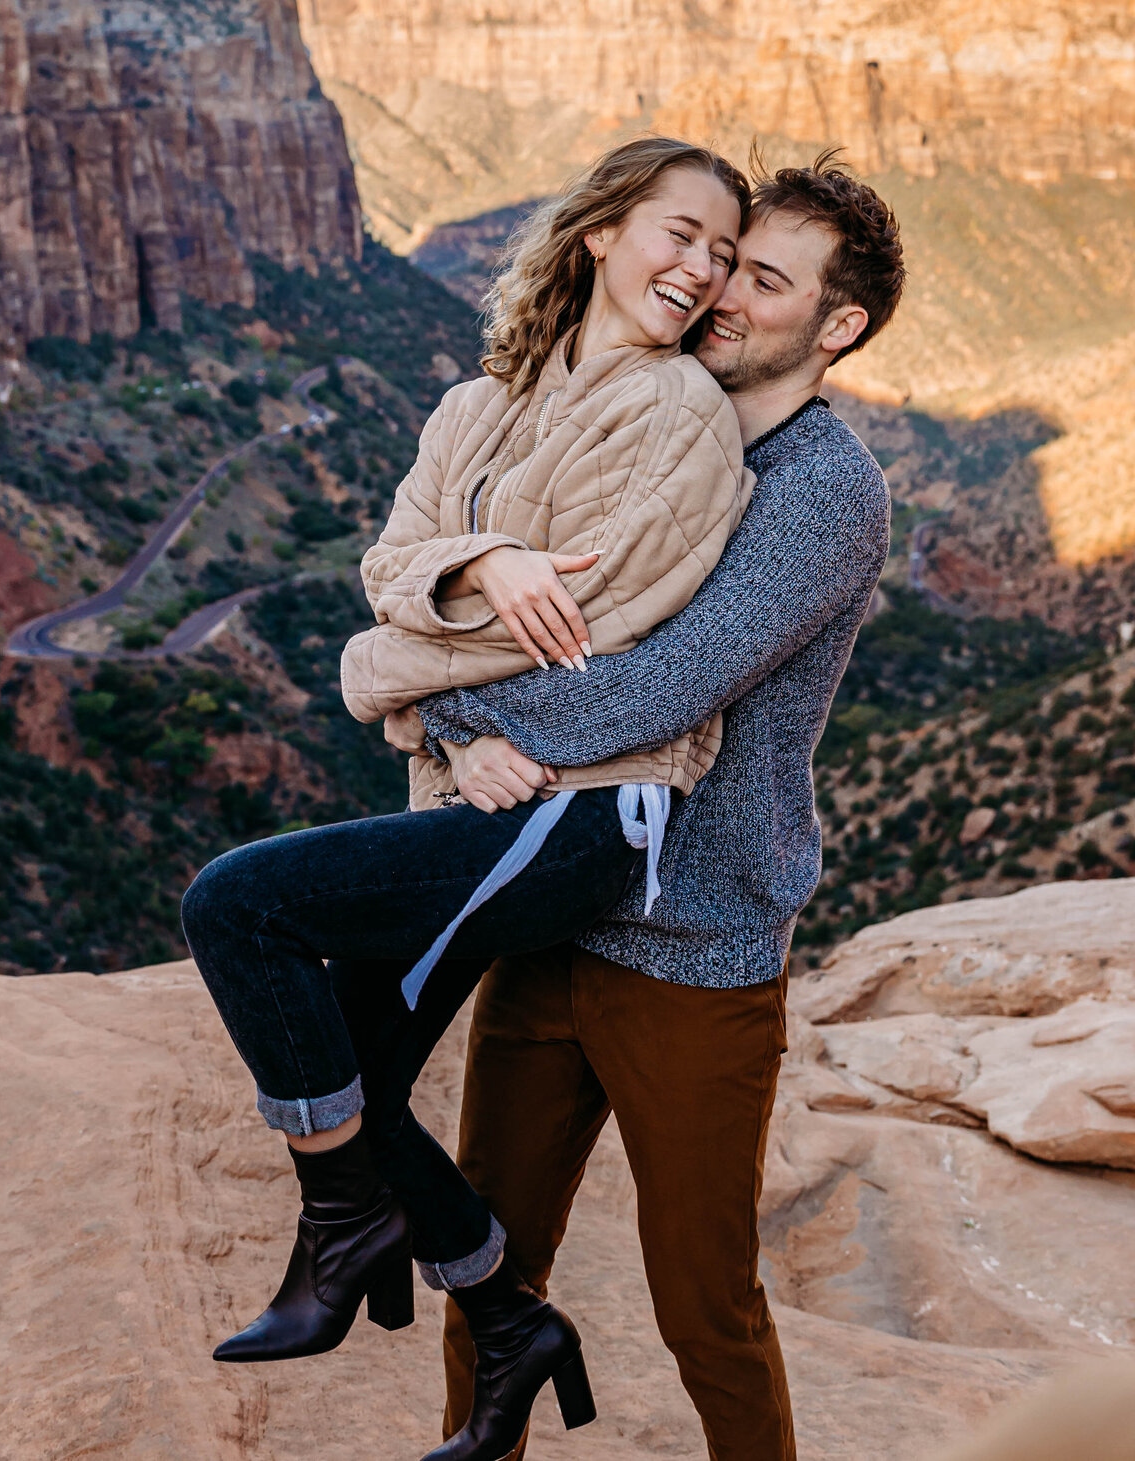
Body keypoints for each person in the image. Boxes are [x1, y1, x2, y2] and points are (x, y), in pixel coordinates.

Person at [180, 136, 753, 1461]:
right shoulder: (474, 405)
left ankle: (347, 1231)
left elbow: (601, 634)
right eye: (681, 233)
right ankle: (507, 1319)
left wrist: (396, 680)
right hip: (481, 800)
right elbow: (393, 566)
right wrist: (479, 570)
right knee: (355, 1086)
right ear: (603, 231)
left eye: (724, 253)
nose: (702, 268)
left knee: (240, 902)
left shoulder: (678, 419)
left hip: (587, 813)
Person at [401, 153, 906, 1461]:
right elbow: (475, 603)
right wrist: (462, 669)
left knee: (705, 1305)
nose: (724, 293)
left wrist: (446, 702)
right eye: (729, 263)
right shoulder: (646, 415)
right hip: (557, 905)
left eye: (767, 280)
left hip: (694, 948)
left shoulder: (824, 488)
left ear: (837, 326)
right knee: (489, 1265)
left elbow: (657, 689)